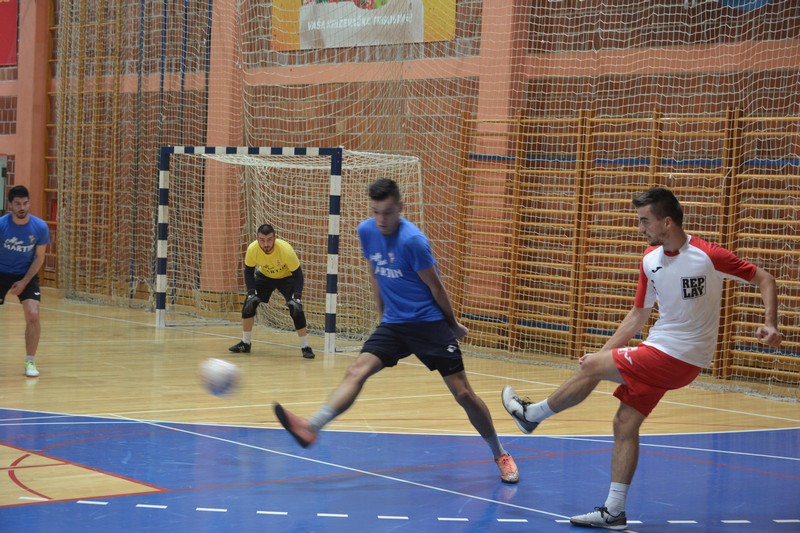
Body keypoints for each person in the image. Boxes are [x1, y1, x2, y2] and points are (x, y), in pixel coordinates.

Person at [502, 187, 782, 530]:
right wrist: (604, 352)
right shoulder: (650, 260)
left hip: (683, 355)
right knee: (624, 423)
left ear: (667, 222)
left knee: (592, 368)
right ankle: (614, 512)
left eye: (645, 221)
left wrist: (770, 323)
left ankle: (531, 415)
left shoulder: (708, 256)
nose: (640, 227)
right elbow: (638, 315)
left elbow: (765, 278)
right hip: (661, 350)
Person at [274, 178, 519, 484]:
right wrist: (382, 317)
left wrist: (452, 324)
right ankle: (312, 427)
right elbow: (375, 273)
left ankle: (500, 453)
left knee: (464, 394)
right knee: (356, 371)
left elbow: (436, 287)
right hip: (394, 323)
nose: (381, 220)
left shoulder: (413, 241)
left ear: (400, 207)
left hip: (428, 323)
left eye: (388, 212)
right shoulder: (367, 231)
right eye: (376, 212)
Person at [229, 224, 315, 359]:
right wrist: (251, 293)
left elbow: (298, 275)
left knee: (296, 309)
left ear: (275, 238)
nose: (266, 244)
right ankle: (245, 343)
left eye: (269, 240)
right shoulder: (252, 249)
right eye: (262, 240)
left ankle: (305, 347)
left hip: (287, 278)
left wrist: (297, 297)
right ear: (257, 239)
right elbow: (248, 272)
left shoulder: (286, 250)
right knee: (248, 305)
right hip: (265, 276)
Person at [1, 185, 50, 377]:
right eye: (18, 204)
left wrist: (24, 281)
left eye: (25, 203)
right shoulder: (2, 225)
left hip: (26, 273)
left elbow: (39, 257)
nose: (22, 207)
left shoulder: (40, 227)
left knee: (33, 315)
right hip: (1, 271)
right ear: (10, 205)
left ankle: (30, 361)